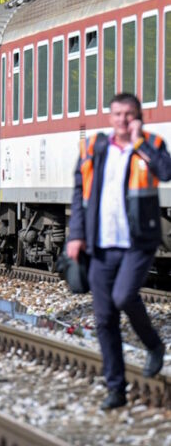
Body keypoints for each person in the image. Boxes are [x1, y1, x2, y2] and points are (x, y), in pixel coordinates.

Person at [67, 92, 171, 410]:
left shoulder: (151, 144)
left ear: (139, 116)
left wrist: (139, 142)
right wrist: (76, 234)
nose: (123, 120)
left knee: (124, 297)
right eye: (117, 114)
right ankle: (116, 388)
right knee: (103, 319)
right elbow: (78, 193)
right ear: (110, 117)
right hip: (101, 244)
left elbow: (166, 172)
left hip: (137, 243)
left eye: (129, 114)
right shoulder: (93, 148)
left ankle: (154, 346)